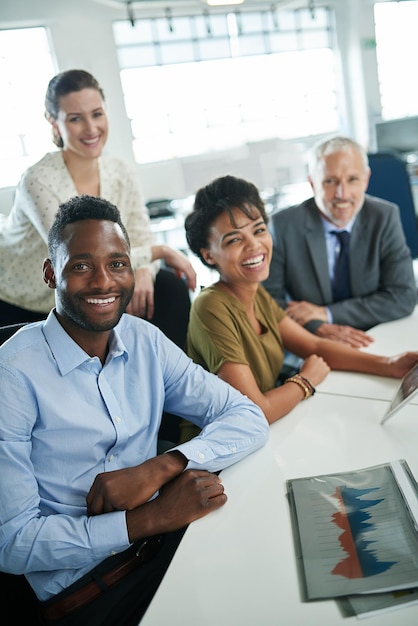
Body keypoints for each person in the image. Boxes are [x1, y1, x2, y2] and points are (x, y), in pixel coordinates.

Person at [0, 194, 268, 626]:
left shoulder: (144, 339)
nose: (104, 282)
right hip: (93, 591)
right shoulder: (11, 376)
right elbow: (12, 544)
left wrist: (163, 466)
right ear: (51, 273)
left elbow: (247, 417)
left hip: (172, 545)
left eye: (118, 263)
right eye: (81, 265)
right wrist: (146, 519)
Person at [182, 174, 418, 433]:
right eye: (234, 239)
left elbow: (314, 345)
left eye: (259, 230)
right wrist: (305, 380)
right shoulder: (211, 306)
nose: (254, 245)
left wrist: (389, 364)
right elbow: (255, 412)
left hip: (267, 435)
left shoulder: (254, 293)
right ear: (208, 255)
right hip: (217, 457)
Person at [0, 69, 196, 349]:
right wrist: (161, 252)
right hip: (25, 296)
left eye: (97, 114)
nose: (91, 129)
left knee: (167, 289)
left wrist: (144, 270)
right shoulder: (38, 180)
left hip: (88, 282)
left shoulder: (120, 172)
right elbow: (75, 257)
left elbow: (141, 237)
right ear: (53, 122)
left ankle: (167, 381)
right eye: (75, 119)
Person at [262, 135, 416, 350]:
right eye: (330, 181)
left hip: (376, 336)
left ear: (366, 179)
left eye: (352, 179)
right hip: (313, 341)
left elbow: (403, 296)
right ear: (313, 183)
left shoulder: (384, 216)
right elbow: (267, 302)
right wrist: (319, 326)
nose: (342, 194)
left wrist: (328, 314)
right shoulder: (283, 226)